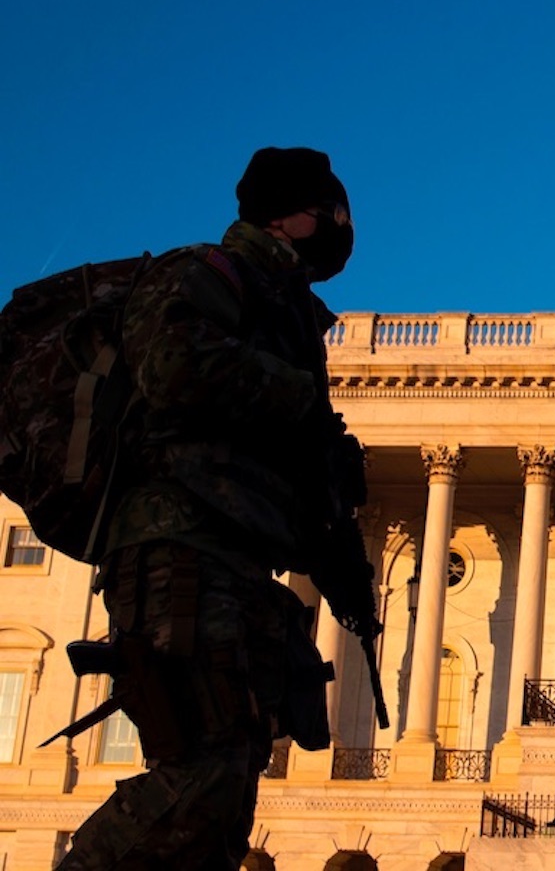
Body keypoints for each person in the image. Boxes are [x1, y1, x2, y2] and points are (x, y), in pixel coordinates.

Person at [63, 147, 363, 870]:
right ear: (289, 215)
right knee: (203, 771)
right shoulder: (206, 271)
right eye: (330, 214)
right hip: (179, 544)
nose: (340, 231)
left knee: (228, 794)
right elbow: (169, 368)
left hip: (235, 557)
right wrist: (298, 399)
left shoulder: (288, 312)